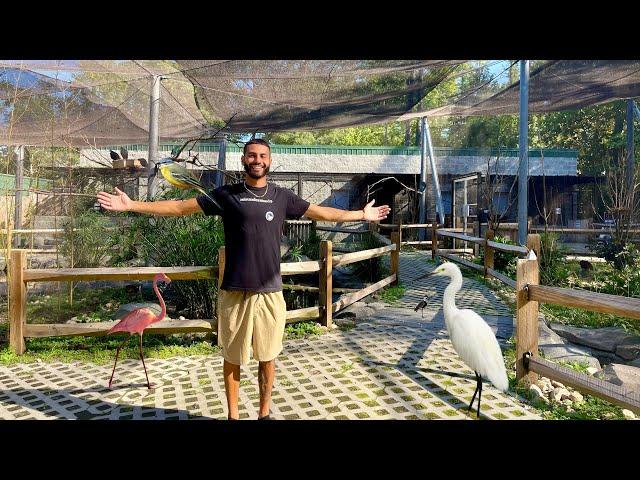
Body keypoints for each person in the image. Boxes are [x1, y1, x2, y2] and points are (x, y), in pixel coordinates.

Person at [97, 138, 390, 420]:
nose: (257, 160)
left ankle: (264, 414)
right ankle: (233, 415)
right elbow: (179, 207)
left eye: (262, 156)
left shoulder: (282, 197)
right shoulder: (227, 196)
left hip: (270, 292)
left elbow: (321, 211)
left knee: (268, 357)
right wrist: (132, 205)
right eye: (252, 155)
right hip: (234, 292)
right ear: (243, 160)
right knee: (233, 358)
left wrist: (360, 215)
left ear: (270, 161)